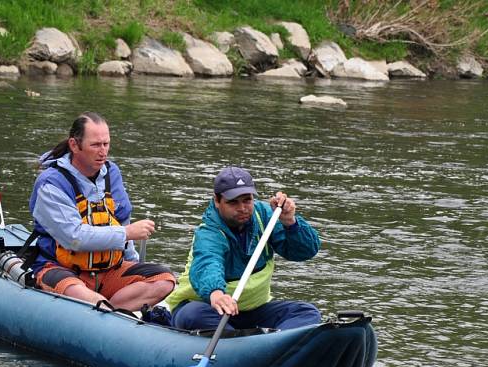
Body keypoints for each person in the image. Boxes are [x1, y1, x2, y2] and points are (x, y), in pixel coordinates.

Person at [28, 112, 175, 311]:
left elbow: (122, 219)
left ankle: (111, 311)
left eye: (106, 144)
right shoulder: (51, 183)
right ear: (74, 145)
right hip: (62, 269)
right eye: (95, 145)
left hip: (109, 270)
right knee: (86, 297)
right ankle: (102, 307)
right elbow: (74, 237)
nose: (103, 151)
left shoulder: (111, 173)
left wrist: (132, 265)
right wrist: (127, 233)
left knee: (165, 280)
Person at [166, 166, 322, 331]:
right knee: (193, 315)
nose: (242, 208)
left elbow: (305, 251)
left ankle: (268, 344)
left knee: (307, 313)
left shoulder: (267, 216)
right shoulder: (209, 231)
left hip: (253, 311)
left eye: (247, 200)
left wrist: (290, 222)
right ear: (217, 201)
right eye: (233, 202)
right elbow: (208, 262)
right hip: (211, 308)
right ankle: (245, 344)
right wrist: (216, 294)